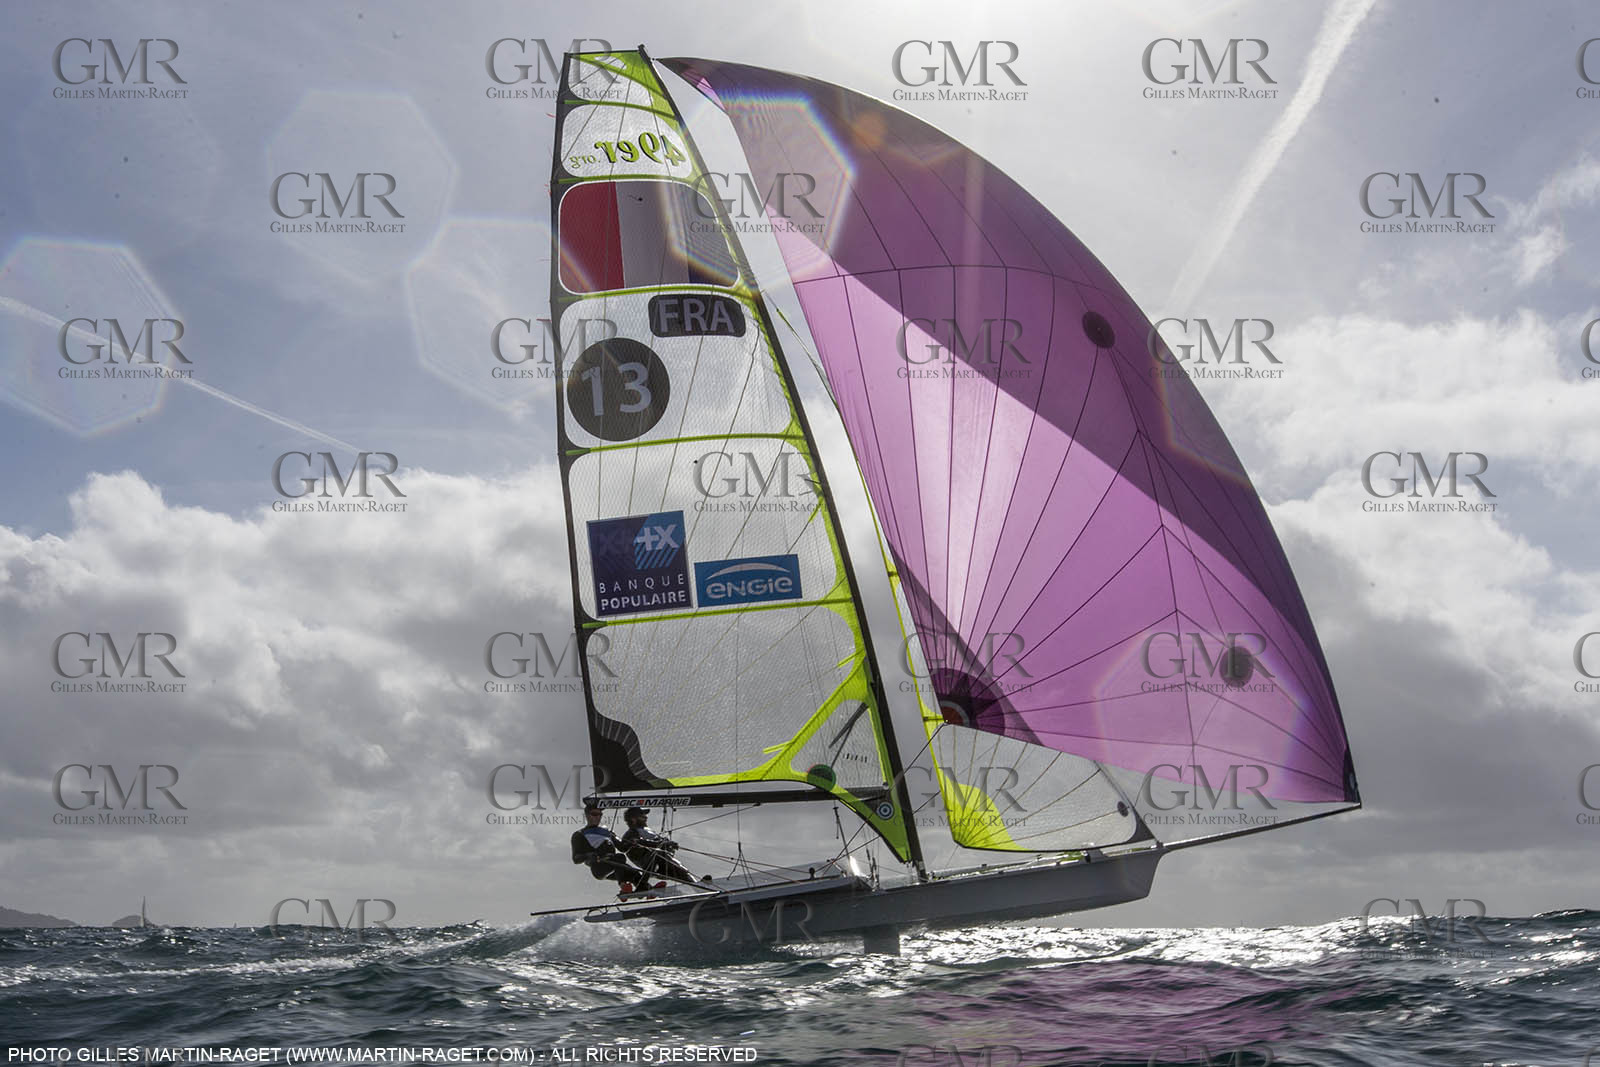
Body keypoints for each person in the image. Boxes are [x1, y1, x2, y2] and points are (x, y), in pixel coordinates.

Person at [571, 805, 657, 894]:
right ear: (587, 815)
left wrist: (632, 843)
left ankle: (645, 889)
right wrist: (589, 855)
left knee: (633, 872)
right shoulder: (579, 834)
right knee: (620, 858)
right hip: (599, 867)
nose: (598, 817)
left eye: (600, 814)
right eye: (594, 814)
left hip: (615, 864)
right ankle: (623, 886)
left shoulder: (606, 831)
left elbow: (622, 847)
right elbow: (576, 859)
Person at [619, 806, 696, 883]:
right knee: (657, 853)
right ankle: (642, 885)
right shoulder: (631, 833)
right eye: (642, 815)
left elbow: (660, 842)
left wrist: (669, 844)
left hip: (663, 863)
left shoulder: (647, 831)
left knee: (682, 871)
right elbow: (640, 843)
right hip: (651, 865)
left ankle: (700, 887)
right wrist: (661, 844)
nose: (646, 817)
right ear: (633, 819)